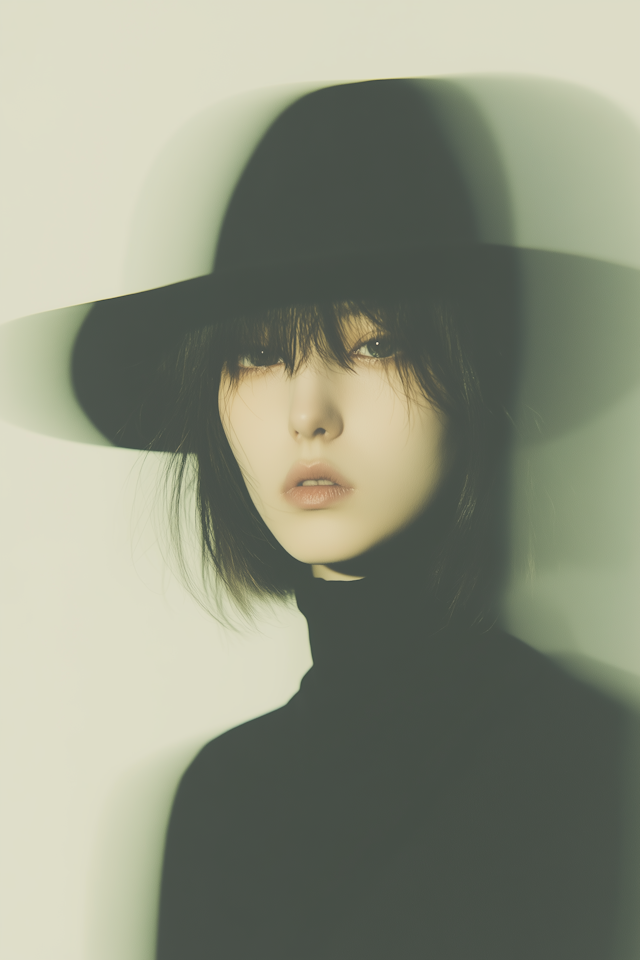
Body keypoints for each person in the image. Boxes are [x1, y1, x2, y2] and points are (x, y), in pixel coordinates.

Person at [69, 79, 633, 959]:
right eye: (258, 354)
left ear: (472, 367)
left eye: (374, 343)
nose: (308, 412)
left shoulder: (602, 771)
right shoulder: (220, 806)